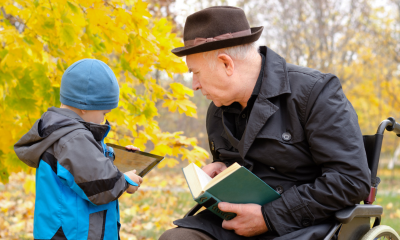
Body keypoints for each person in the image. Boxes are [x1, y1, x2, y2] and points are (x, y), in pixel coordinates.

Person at [159, 6, 371, 240]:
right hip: (234, 223)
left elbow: (351, 181)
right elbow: (238, 167)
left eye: (196, 73)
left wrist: (268, 217)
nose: (194, 85)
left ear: (226, 64)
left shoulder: (315, 92)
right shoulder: (217, 111)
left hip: (303, 226)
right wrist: (220, 173)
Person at [14, 59, 143, 239]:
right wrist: (125, 182)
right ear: (84, 106)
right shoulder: (74, 139)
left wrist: (113, 156)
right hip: (76, 233)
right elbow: (101, 185)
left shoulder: (63, 132)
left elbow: (84, 168)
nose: (104, 120)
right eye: (104, 113)